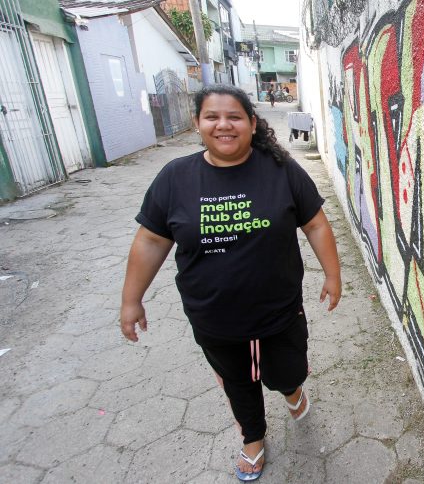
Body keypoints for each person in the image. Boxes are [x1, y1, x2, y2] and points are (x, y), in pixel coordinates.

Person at [119, 83, 341, 482]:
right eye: (212, 117)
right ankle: (253, 437)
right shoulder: (175, 178)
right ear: (198, 123)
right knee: (238, 382)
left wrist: (333, 274)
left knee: (286, 371)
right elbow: (151, 240)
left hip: (279, 310)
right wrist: (131, 300)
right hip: (213, 315)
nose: (224, 125)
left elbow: (315, 224)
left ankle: (291, 390)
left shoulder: (281, 169)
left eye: (234, 117)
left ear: (252, 124)